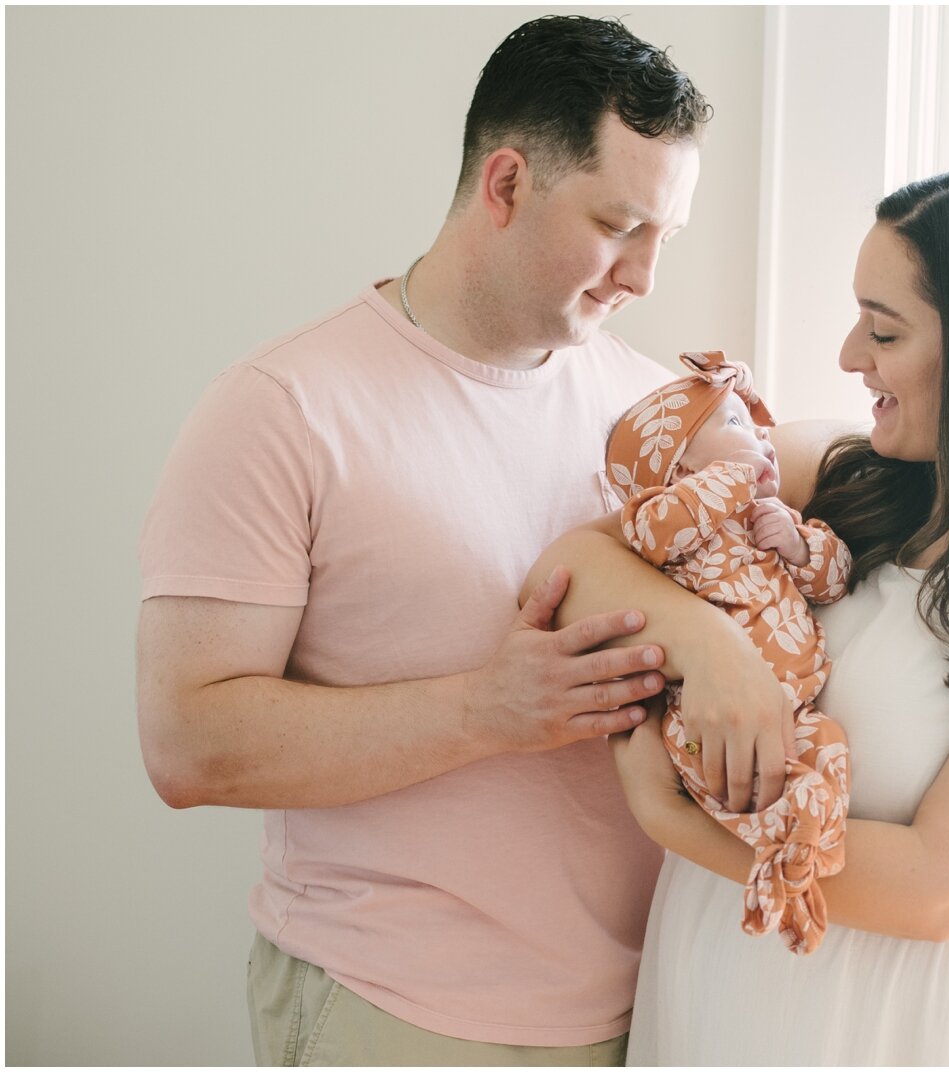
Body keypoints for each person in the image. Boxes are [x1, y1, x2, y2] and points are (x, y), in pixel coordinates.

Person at [134, 16, 783, 1066]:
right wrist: (484, 709)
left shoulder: (660, 414)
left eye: (666, 236)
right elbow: (184, 745)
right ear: (507, 182)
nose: (644, 277)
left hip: (651, 1015)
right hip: (397, 1012)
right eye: (620, 225)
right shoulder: (281, 407)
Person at [527, 164, 949, 1065]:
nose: (847, 355)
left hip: (899, 1022)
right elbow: (574, 562)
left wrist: (669, 817)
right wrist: (713, 649)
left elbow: (940, 889)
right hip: (724, 981)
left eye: (883, 328)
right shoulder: (831, 476)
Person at [599, 349, 852, 955]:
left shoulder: (773, 517)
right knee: (737, 783)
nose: (763, 437)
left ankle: (797, 853)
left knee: (830, 748)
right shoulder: (663, 521)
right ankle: (776, 849)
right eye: (737, 425)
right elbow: (659, 533)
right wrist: (733, 477)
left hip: (795, 709)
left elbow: (835, 579)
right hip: (704, 717)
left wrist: (797, 545)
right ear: (678, 463)